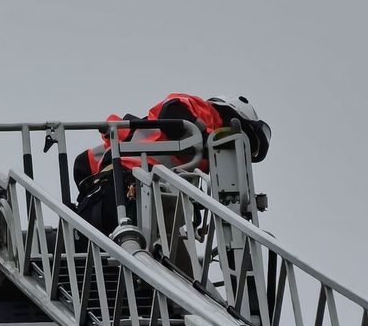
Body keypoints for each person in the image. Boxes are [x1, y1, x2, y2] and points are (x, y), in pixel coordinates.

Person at [72, 93, 270, 233]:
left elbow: (82, 164)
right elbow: (172, 111)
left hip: (104, 204)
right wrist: (208, 137)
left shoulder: (125, 139)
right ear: (231, 116)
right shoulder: (207, 112)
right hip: (130, 193)